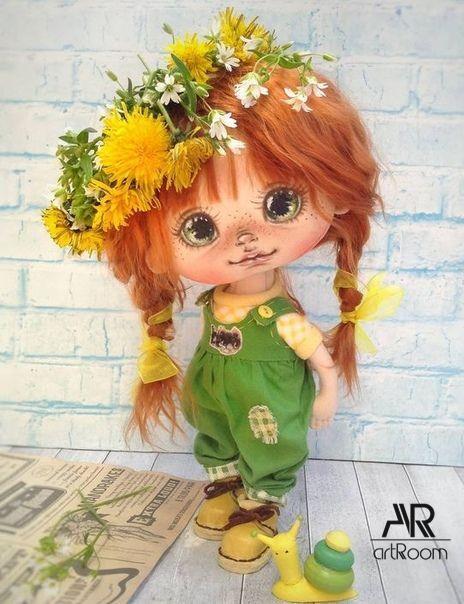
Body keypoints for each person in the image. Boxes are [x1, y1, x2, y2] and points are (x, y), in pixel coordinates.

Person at [42, 8, 402, 574]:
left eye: (280, 204)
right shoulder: (213, 303)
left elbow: (318, 359)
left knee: (267, 436)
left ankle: (261, 501)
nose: (246, 241)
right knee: (213, 424)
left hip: (268, 400)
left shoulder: (283, 318)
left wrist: (327, 391)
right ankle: (226, 481)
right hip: (215, 388)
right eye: (199, 229)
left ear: (332, 193)